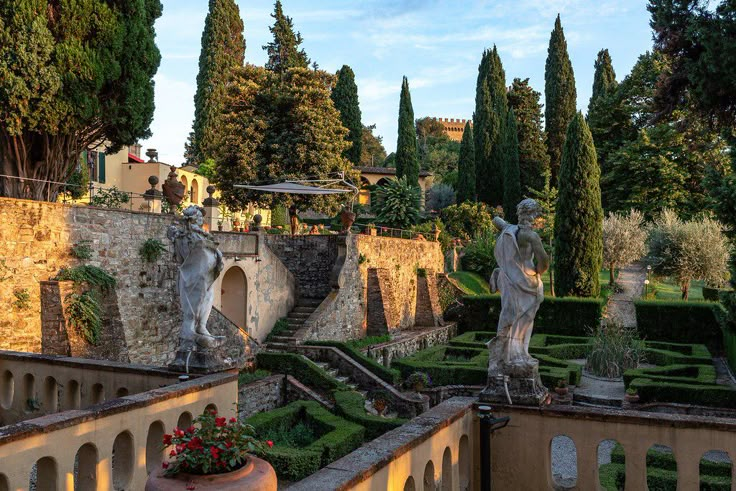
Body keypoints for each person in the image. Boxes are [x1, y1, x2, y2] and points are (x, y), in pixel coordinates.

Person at [487, 198, 549, 371]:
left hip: (511, 279)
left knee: (511, 317)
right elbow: (544, 262)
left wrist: (502, 222)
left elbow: (496, 221)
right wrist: (537, 272)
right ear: (533, 214)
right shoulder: (531, 236)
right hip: (528, 281)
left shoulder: (510, 229)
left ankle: (512, 355)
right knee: (524, 320)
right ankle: (518, 354)